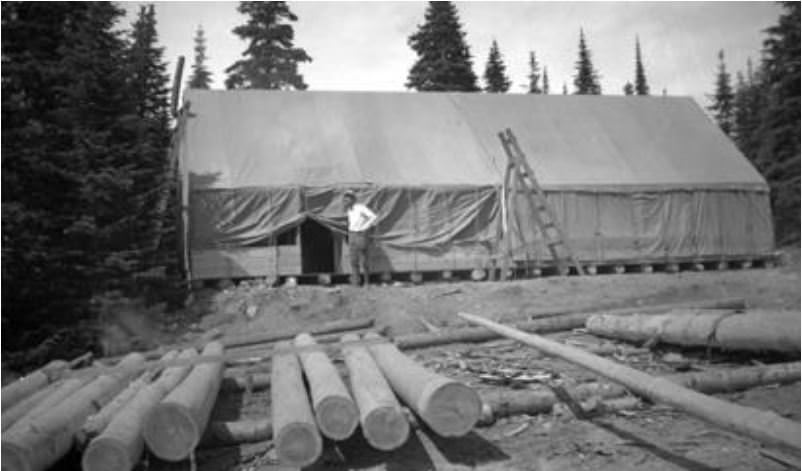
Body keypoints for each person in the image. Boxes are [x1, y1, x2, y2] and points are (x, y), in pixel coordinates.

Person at [343, 190, 378, 286]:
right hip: (352, 234)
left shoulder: (360, 208)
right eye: (345, 197)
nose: (346, 199)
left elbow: (373, 217)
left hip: (360, 234)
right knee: (353, 260)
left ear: (353, 199)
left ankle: (367, 282)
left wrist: (365, 227)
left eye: (348, 197)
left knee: (364, 259)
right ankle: (356, 282)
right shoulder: (349, 210)